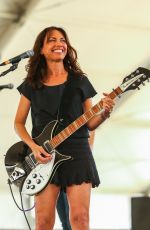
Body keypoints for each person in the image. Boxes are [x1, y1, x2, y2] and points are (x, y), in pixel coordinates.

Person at [14, 26, 115, 230]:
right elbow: (18, 123)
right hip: (44, 154)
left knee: (80, 219)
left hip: (78, 152)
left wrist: (104, 113)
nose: (59, 43)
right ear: (41, 49)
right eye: (52, 40)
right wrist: (33, 147)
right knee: (43, 221)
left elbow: (90, 123)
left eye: (62, 40)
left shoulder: (80, 81)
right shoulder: (32, 84)